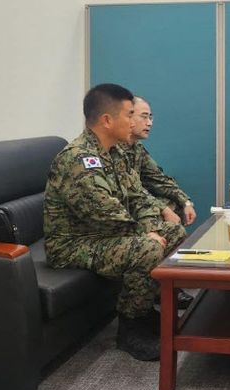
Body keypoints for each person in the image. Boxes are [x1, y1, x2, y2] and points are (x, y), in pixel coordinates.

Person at [44, 83, 186, 361]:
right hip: (73, 245)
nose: (134, 122)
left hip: (102, 236)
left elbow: (136, 196)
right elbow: (104, 213)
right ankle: (131, 328)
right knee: (148, 248)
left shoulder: (115, 153)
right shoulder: (79, 158)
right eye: (129, 114)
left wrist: (154, 222)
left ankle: (145, 310)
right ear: (107, 120)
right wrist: (143, 235)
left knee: (173, 232)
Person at [122, 96, 197, 309]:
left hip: (134, 207)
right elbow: (128, 194)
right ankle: (145, 304)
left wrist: (185, 201)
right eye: (144, 117)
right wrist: (161, 209)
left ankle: (164, 289)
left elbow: (158, 179)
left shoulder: (136, 149)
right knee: (164, 216)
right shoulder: (111, 151)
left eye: (151, 117)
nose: (150, 123)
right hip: (119, 214)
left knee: (174, 206)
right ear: (127, 118)